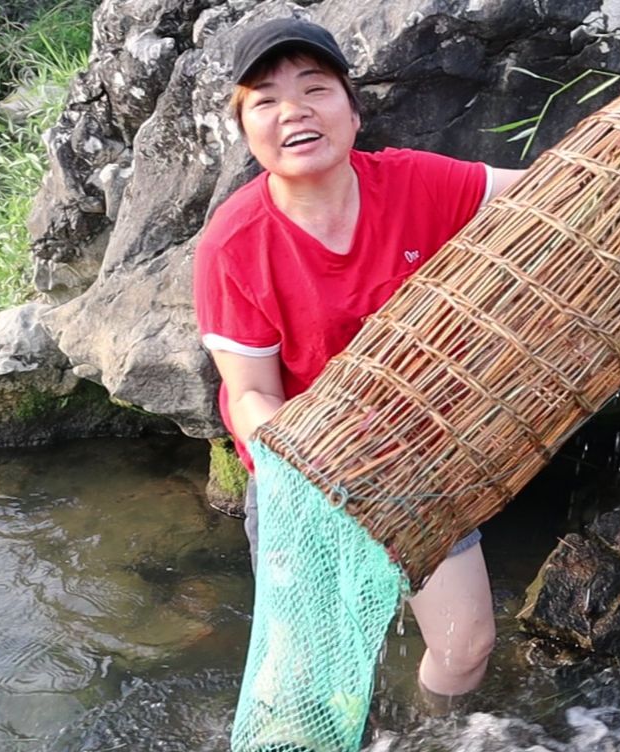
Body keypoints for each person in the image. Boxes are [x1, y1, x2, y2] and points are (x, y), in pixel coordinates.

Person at [192, 17, 523, 699]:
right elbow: (251, 395)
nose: (293, 111)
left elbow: (542, 193)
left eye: (315, 88)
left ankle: (438, 738)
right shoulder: (232, 244)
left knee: (466, 648)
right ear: (245, 128)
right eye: (265, 99)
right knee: (312, 677)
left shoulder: (413, 184)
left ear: (351, 105)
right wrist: (315, 463)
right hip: (304, 484)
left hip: (417, 459)